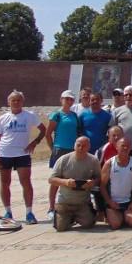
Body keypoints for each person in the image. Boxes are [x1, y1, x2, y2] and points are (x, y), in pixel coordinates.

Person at [0, 91, 45, 223]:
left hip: (22, 154)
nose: (16, 102)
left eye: (18, 100)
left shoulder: (29, 116)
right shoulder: (3, 118)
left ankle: (29, 212)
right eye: (13, 100)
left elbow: (43, 129)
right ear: (8, 102)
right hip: (5, 153)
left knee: (26, 182)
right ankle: (8, 212)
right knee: (5, 183)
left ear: (23, 102)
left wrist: (35, 142)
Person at [49, 136, 102, 232]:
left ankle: (82, 215)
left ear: (88, 147)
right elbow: (51, 179)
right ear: (74, 146)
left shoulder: (93, 160)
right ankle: (68, 218)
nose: (80, 148)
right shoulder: (64, 160)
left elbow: (99, 178)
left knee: (88, 224)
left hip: (83, 202)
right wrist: (65, 182)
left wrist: (92, 182)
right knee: (60, 228)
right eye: (78, 145)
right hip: (65, 202)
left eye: (83, 146)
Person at [45, 90, 81, 220]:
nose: (69, 101)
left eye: (71, 99)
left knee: (71, 179)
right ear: (61, 100)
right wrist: (53, 148)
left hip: (72, 150)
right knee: (56, 180)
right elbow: (48, 134)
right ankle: (51, 207)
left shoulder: (74, 115)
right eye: (67, 99)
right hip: (60, 149)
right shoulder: (56, 115)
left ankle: (69, 206)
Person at [99, 136, 132, 230]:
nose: (125, 148)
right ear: (117, 147)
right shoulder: (109, 163)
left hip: (128, 202)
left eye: (127, 146)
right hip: (113, 203)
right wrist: (109, 201)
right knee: (115, 225)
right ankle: (112, 216)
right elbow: (102, 186)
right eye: (122, 146)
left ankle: (126, 215)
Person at [79, 92, 112, 158]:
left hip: (101, 150)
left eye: (97, 99)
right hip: (85, 149)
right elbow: (78, 131)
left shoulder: (108, 116)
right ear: (89, 101)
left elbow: (110, 134)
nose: (95, 101)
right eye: (92, 100)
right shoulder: (82, 115)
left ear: (102, 101)